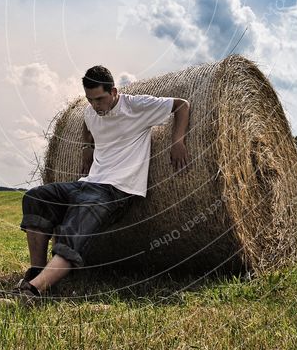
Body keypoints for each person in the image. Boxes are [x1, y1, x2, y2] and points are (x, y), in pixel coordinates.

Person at [18, 64, 190, 299]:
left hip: (116, 191)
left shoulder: (135, 106)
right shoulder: (91, 112)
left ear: (114, 92)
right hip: (88, 183)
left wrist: (177, 141)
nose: (95, 105)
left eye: (100, 99)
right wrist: (88, 147)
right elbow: (86, 123)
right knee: (35, 197)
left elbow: (181, 105)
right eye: (90, 100)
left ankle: (35, 290)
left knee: (77, 222)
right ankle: (37, 271)